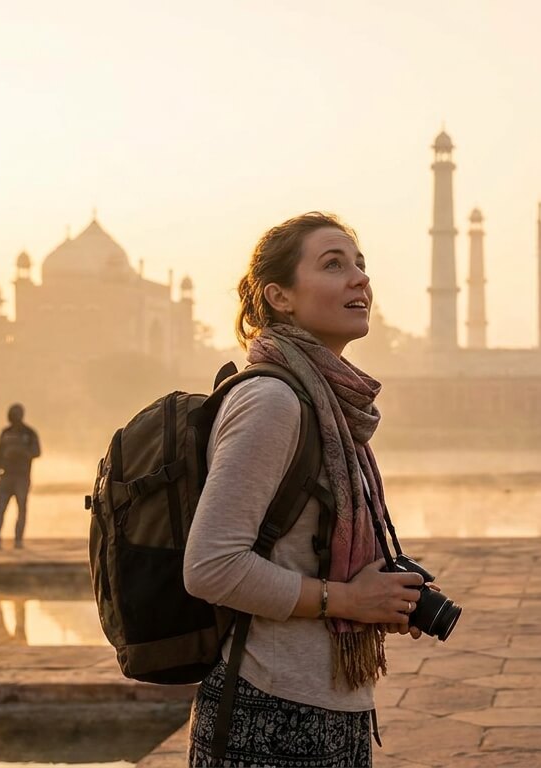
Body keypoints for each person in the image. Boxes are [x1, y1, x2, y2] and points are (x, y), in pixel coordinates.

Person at [183, 212, 432, 766]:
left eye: (360, 264)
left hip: (330, 708)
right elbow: (210, 565)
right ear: (280, 296)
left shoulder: (331, 405)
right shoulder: (272, 400)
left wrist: (378, 599)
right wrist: (346, 600)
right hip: (267, 716)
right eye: (333, 264)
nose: (360, 279)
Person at [0, 403, 40, 550]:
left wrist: (20, 452)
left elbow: (37, 452)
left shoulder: (29, 433)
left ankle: (18, 540)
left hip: (21, 477)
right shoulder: (5, 433)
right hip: (6, 476)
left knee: (21, 510)